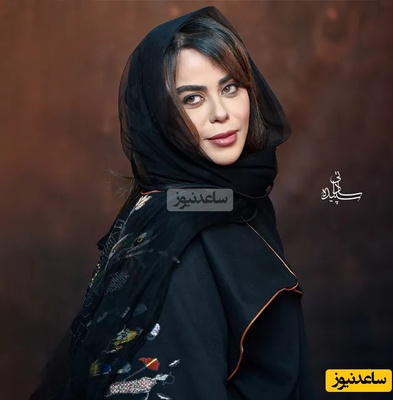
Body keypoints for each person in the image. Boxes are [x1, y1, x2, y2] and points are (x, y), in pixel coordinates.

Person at [30, 6, 315, 400]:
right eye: (193, 99)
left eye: (230, 88)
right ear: (161, 116)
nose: (221, 114)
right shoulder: (183, 237)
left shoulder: (226, 201)